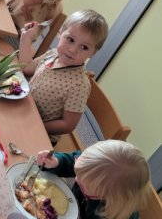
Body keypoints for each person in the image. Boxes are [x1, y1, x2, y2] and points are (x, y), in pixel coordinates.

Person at [19, 9, 108, 144]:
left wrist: (37, 125)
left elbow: (67, 125)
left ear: (93, 52)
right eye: (70, 40)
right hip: (25, 108)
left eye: (84, 47)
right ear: (60, 33)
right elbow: (27, 67)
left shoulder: (80, 85)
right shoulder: (53, 54)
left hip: (41, 133)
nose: (73, 50)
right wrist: (26, 38)